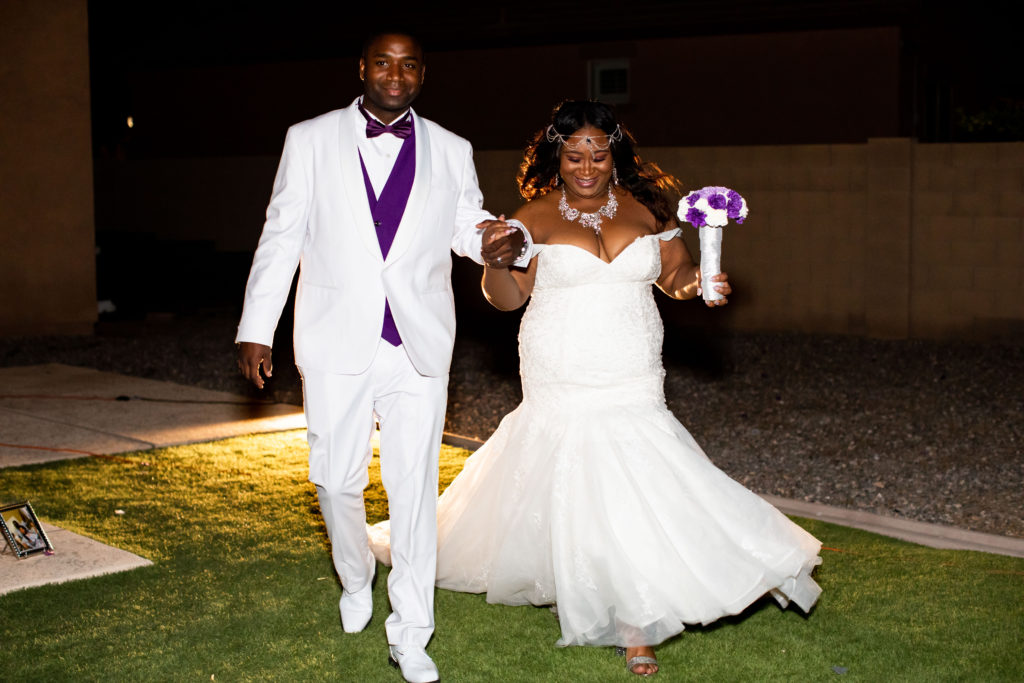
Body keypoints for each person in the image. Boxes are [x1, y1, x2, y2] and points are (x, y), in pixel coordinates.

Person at [370, 100, 822, 677]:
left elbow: (674, 277)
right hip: (561, 365)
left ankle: (634, 609)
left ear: (616, 157)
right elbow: (505, 299)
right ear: (556, 157)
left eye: (598, 154)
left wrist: (701, 284)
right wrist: (495, 262)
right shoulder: (529, 218)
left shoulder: (648, 210)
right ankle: (633, 622)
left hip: (632, 368)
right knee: (581, 476)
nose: (586, 165)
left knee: (640, 477)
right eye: (574, 154)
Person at [235, 31, 531, 683]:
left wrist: (492, 240)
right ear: (362, 68)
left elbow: (465, 223)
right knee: (334, 479)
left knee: (413, 490)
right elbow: (281, 236)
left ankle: (412, 633)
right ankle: (356, 571)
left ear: (422, 75)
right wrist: (257, 325)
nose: (394, 74)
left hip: (418, 345)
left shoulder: (452, 149)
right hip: (336, 338)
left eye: (408, 65)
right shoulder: (308, 139)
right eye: (382, 62)